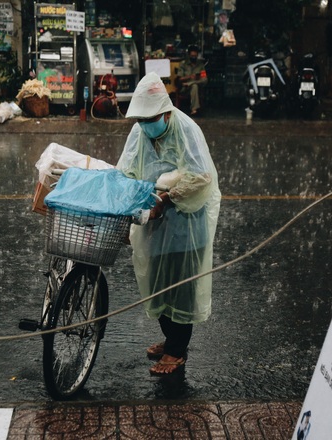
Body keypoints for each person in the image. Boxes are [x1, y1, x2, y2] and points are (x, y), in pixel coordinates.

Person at [117, 72, 221, 376]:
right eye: (141, 119)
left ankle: (177, 351)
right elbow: (127, 168)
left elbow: (202, 177)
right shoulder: (141, 131)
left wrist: (169, 196)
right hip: (155, 218)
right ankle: (170, 339)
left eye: (151, 118)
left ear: (166, 112)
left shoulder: (187, 129)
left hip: (187, 221)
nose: (146, 124)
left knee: (182, 286)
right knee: (159, 283)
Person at [174, 45, 208, 115]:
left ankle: (194, 110)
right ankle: (194, 109)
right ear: (189, 55)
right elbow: (179, 79)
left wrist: (192, 82)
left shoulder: (200, 65)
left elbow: (204, 79)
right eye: (192, 56)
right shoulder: (183, 64)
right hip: (184, 88)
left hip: (196, 86)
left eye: (195, 56)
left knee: (195, 85)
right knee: (194, 86)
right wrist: (189, 77)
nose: (194, 57)